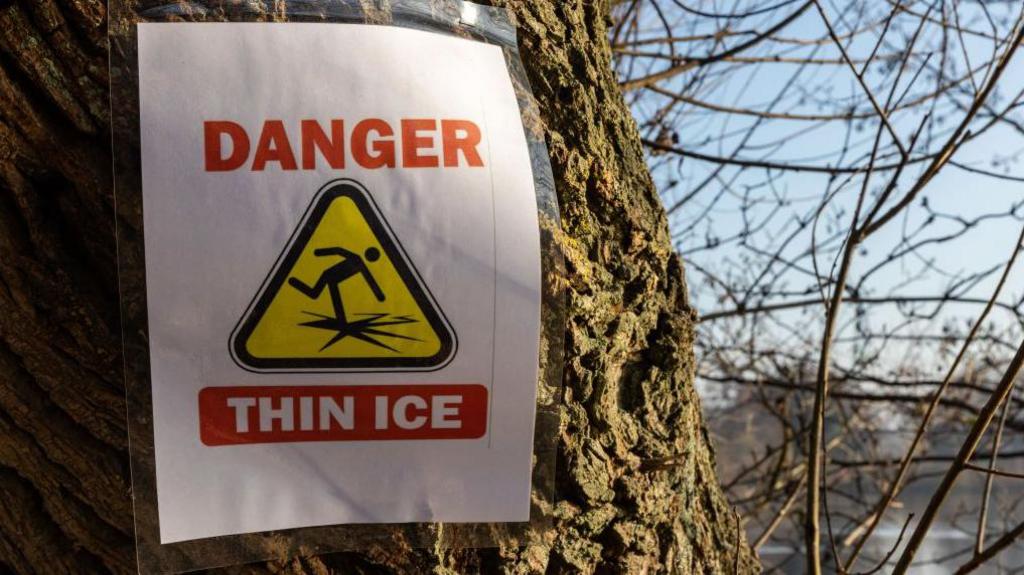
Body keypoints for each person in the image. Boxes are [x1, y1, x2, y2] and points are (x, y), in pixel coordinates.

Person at [287, 246, 385, 325]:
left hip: (330, 277)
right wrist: (319, 252)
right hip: (328, 275)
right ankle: (294, 282)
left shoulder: (358, 261)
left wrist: (379, 295)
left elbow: (369, 279)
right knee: (315, 294)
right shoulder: (357, 259)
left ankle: (341, 320)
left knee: (318, 294)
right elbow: (338, 250)